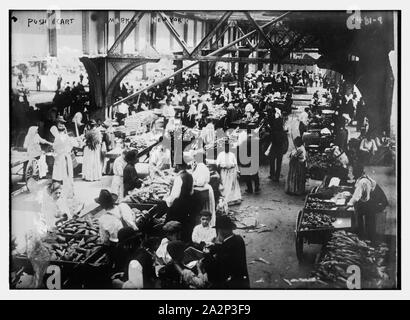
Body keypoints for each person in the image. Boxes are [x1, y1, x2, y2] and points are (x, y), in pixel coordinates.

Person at [346, 165, 388, 242]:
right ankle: (362, 232)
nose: (349, 173)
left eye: (350, 172)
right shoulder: (361, 178)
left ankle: (365, 236)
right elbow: (360, 194)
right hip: (373, 201)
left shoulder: (363, 181)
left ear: (356, 173)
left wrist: (348, 204)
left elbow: (360, 197)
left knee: (359, 209)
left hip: (380, 204)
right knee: (358, 207)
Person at [206, 216, 250, 289]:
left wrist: (207, 256)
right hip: (243, 282)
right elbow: (225, 245)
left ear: (220, 231)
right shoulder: (239, 239)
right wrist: (214, 246)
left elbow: (214, 276)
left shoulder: (224, 250)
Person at [165, 164, 201, 242]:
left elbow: (175, 195)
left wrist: (167, 200)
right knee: (184, 224)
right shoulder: (190, 175)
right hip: (187, 205)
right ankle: (184, 240)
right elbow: (191, 192)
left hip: (178, 206)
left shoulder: (179, 178)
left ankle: (174, 241)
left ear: (178, 166)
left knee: (174, 225)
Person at [50, 116, 79, 199]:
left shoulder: (63, 137)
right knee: (61, 176)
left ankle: (64, 195)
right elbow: (76, 144)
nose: (62, 125)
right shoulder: (62, 137)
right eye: (60, 123)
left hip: (63, 158)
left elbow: (75, 144)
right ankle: (63, 195)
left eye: (63, 123)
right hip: (61, 158)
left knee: (63, 176)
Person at [216, 139, 241, 206]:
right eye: (225, 146)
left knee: (233, 185)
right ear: (223, 147)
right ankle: (226, 199)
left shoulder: (232, 154)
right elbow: (218, 164)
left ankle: (234, 199)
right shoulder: (220, 155)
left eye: (228, 146)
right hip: (224, 172)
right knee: (225, 185)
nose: (227, 148)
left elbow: (235, 164)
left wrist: (237, 172)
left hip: (232, 172)